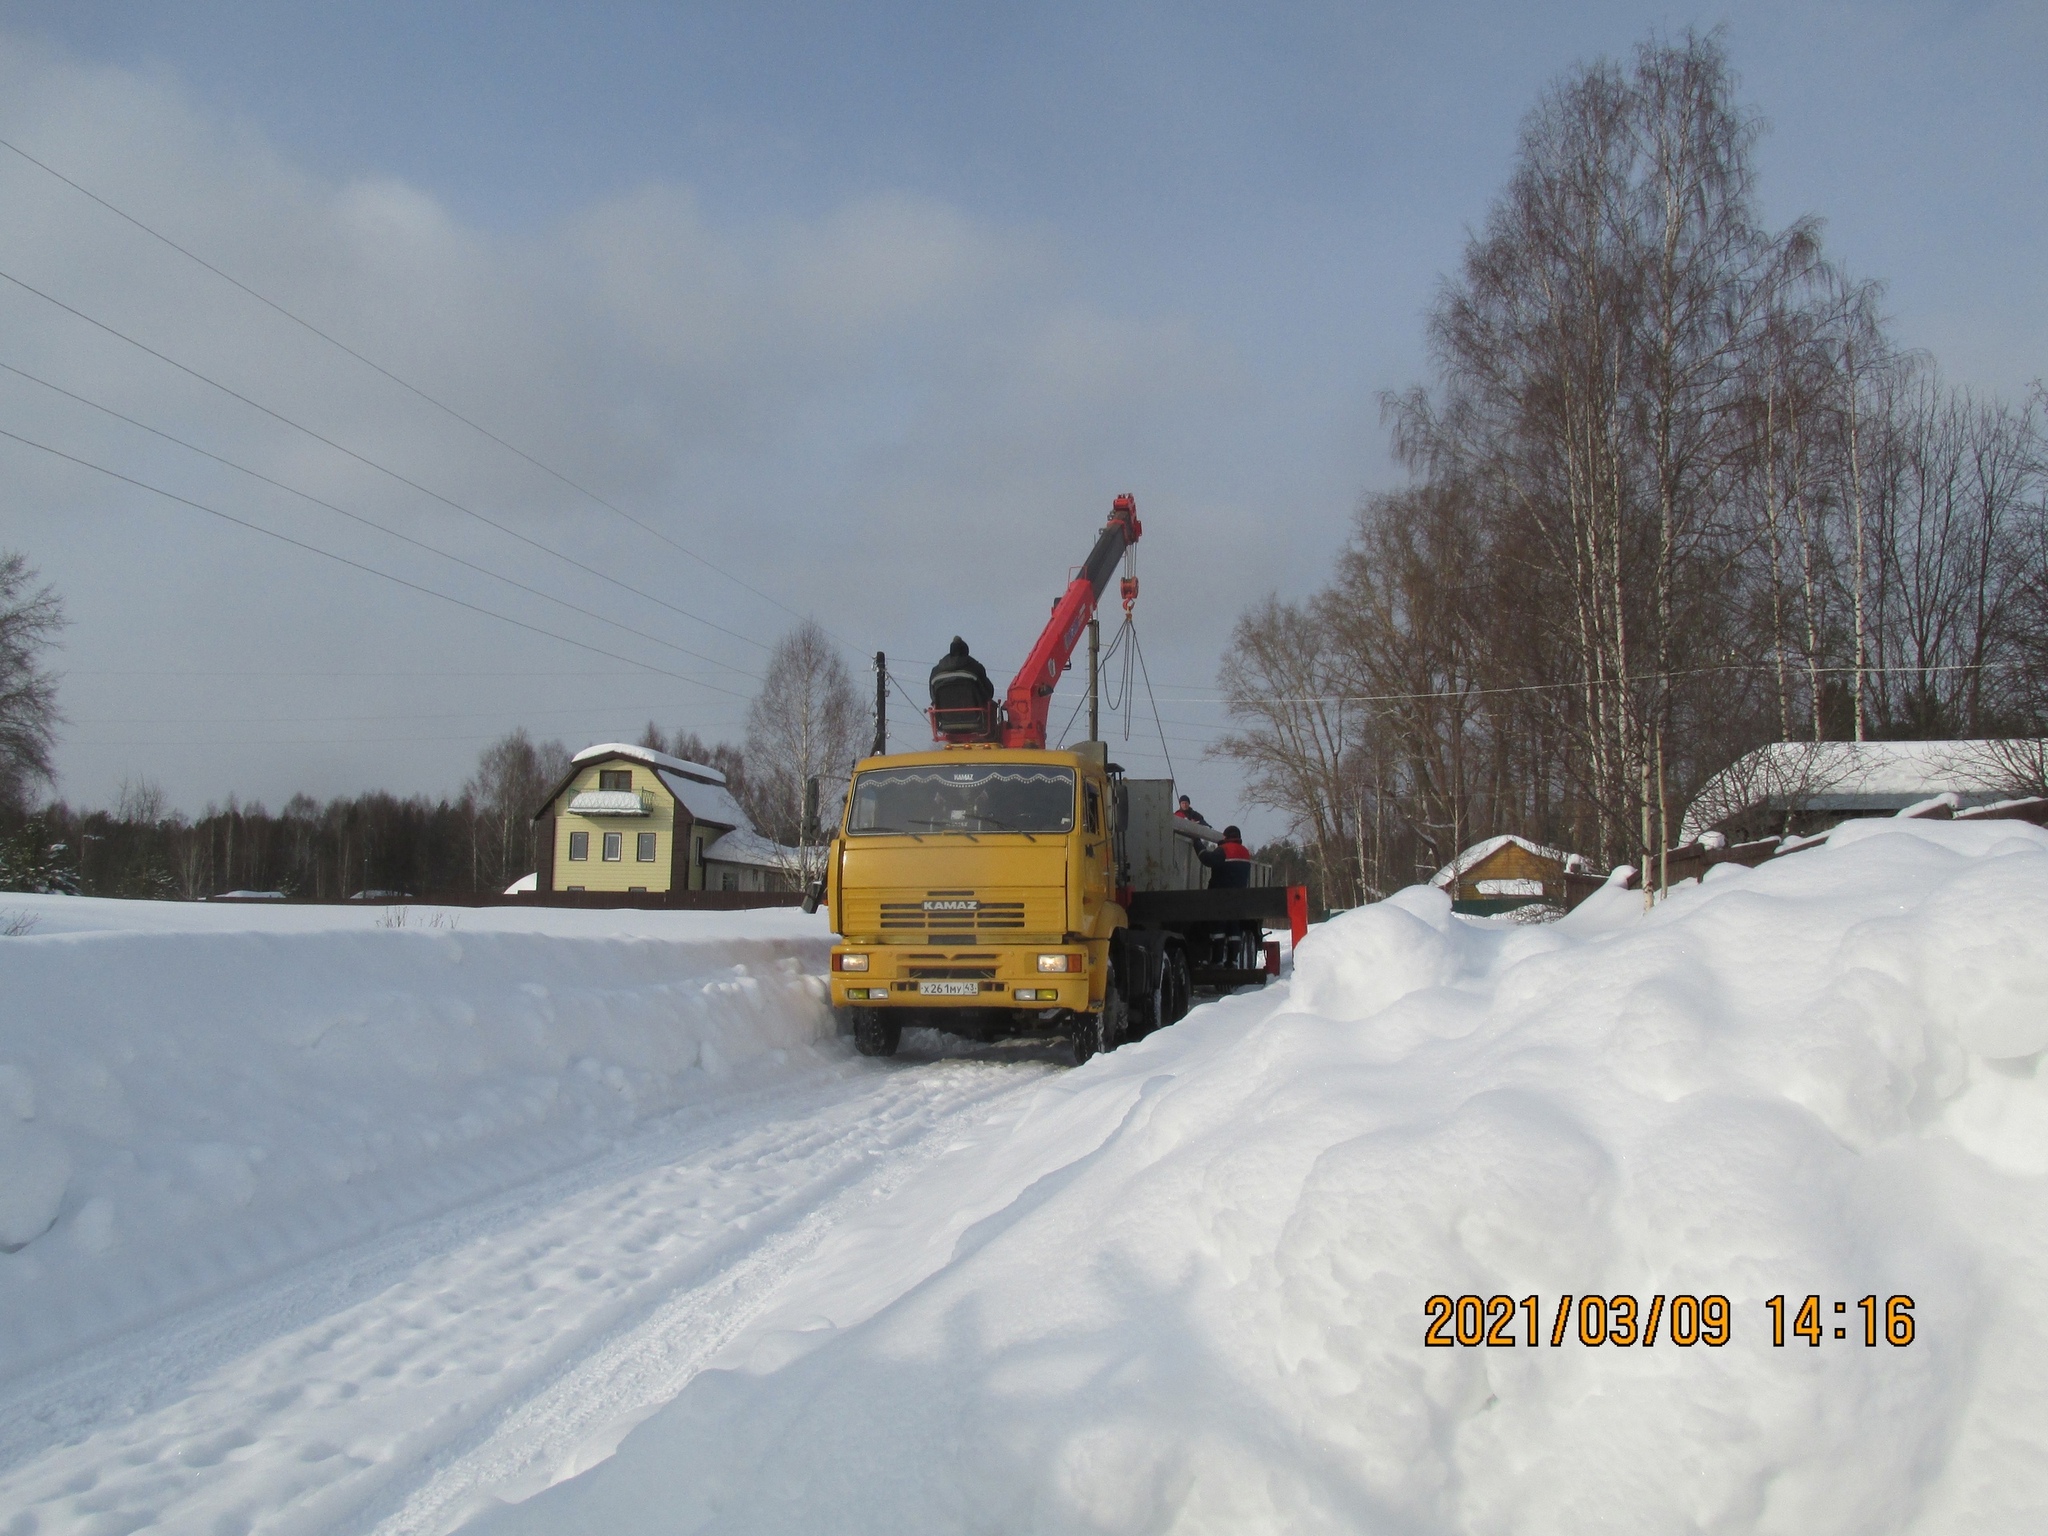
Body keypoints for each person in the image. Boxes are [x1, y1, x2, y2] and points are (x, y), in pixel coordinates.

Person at [928, 636, 993, 708]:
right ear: (966, 651)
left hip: (944, 717)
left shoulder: (935, 672)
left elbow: (933, 696)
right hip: (975, 715)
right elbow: (988, 692)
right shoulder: (976, 668)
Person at [1197, 825, 1253, 889]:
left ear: (1225, 837)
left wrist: (1197, 842)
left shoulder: (1224, 849)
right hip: (1239, 894)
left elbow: (1207, 859)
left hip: (1221, 894)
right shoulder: (1245, 851)